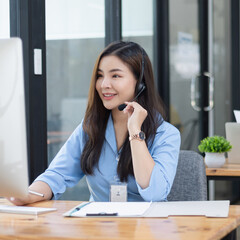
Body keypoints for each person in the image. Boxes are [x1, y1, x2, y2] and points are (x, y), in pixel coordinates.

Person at [10, 41, 181, 205]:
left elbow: (155, 193)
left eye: (115, 75)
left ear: (140, 82)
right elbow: (57, 175)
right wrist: (28, 196)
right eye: (100, 76)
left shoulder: (166, 134)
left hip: (146, 229)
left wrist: (135, 131)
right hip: (99, 226)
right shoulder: (90, 127)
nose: (104, 84)